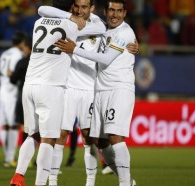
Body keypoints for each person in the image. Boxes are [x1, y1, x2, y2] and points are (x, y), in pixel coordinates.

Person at [39, 1, 139, 185]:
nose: (80, 10)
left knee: (98, 138)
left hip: (99, 88)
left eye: (85, 6)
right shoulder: (103, 28)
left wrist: (74, 45)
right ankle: (52, 181)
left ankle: (100, 182)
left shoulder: (100, 26)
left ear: (92, 8)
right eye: (77, 6)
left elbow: (108, 56)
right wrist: (70, 19)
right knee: (95, 140)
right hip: (78, 87)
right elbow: (41, 10)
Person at [9, 0, 87, 185]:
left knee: (33, 135)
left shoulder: (39, 22)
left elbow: (42, 9)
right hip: (51, 88)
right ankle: (40, 183)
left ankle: (18, 176)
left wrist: (68, 14)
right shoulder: (72, 25)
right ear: (71, 8)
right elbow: (99, 28)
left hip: (30, 85)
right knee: (49, 139)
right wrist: (74, 17)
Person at [0, 30, 28, 168]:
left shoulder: (5, 53)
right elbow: (12, 74)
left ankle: (6, 157)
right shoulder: (18, 55)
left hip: (2, 90)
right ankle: (9, 158)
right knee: (14, 125)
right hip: (12, 91)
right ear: (21, 43)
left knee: (5, 125)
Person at [10, 36, 32, 140]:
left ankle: (25, 155)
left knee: (24, 125)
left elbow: (13, 80)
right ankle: (42, 155)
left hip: (24, 95)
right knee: (41, 127)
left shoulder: (22, 62)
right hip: (41, 94)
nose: (23, 49)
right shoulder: (42, 61)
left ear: (28, 48)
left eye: (23, 47)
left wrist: (11, 75)